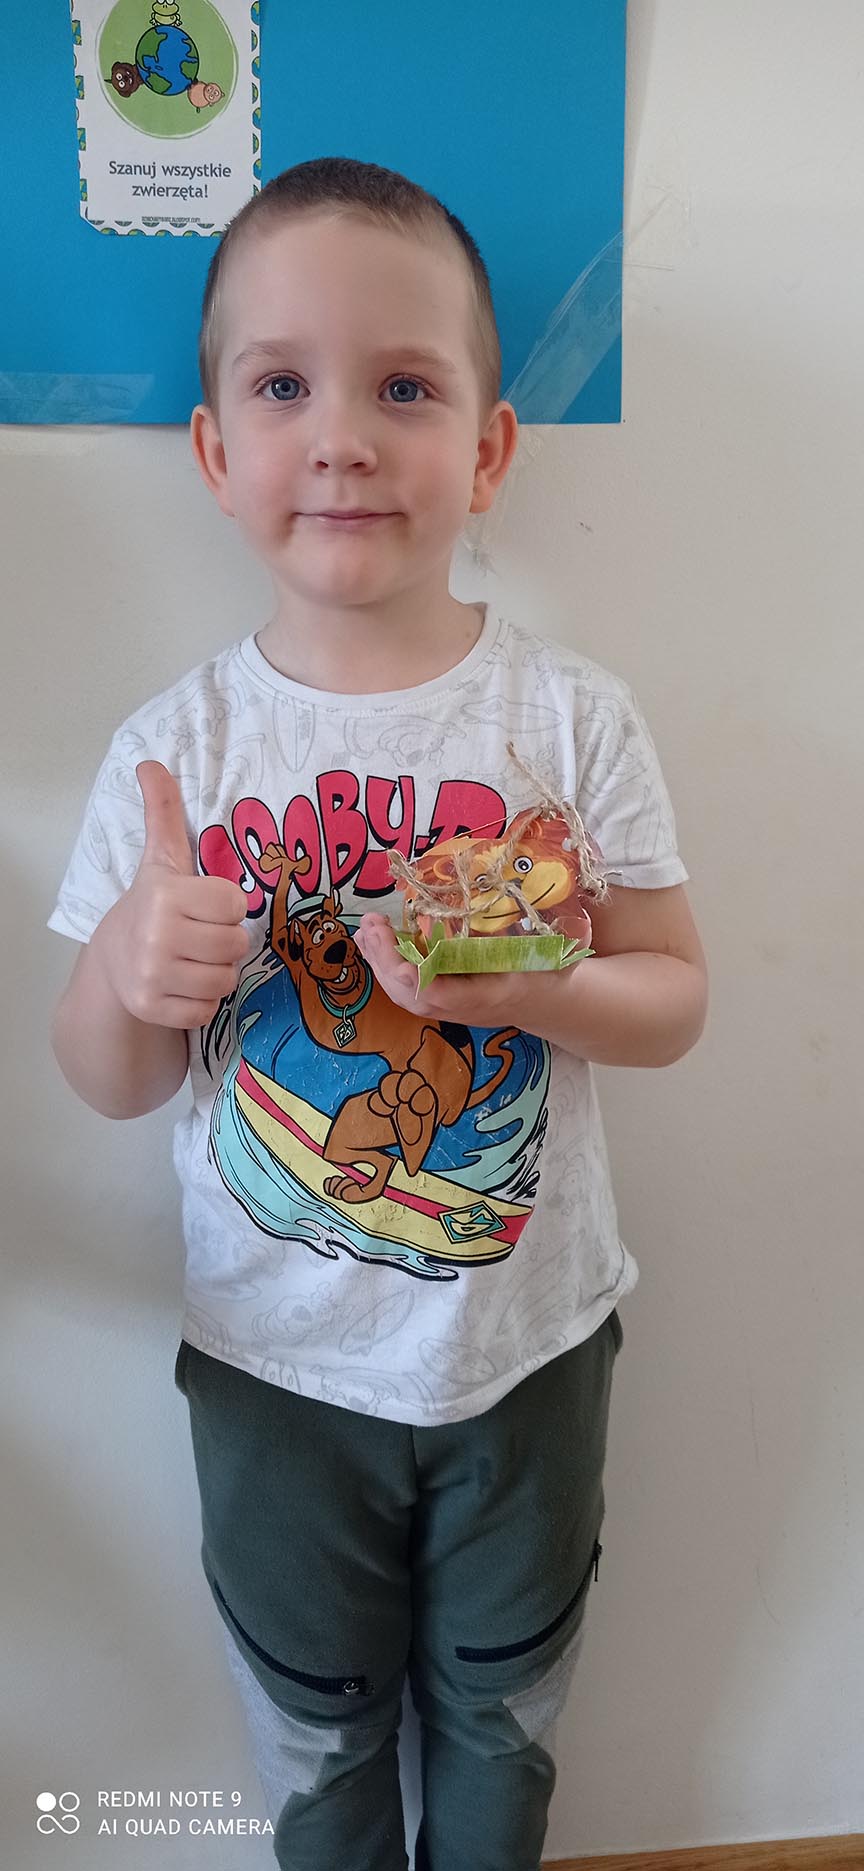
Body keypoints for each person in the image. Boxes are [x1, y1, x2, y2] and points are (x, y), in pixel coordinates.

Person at [48, 156, 708, 1871]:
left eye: (404, 388)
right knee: (317, 1729)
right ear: (213, 452)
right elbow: (103, 1078)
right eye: (283, 387)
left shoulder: (570, 722)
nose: (341, 438)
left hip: (529, 1355)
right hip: (269, 1372)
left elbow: (674, 998)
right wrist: (127, 968)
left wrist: (542, 988)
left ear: (489, 450)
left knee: (502, 1713)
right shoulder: (173, 754)